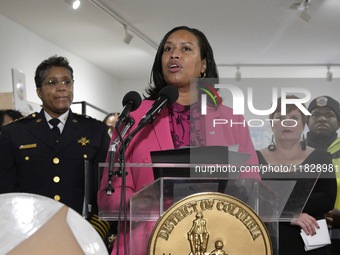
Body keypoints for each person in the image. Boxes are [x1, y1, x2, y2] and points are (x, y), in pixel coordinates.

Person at [98, 26, 259, 255]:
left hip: (213, 241)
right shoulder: (134, 117)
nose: (174, 54)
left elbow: (252, 187)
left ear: (204, 65)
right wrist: (150, 198)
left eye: (186, 49)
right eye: (168, 49)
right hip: (145, 243)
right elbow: (109, 197)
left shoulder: (230, 119)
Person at [0, 56, 111, 241]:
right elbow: (6, 193)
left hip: (81, 236)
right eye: (52, 82)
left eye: (67, 82)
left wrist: (92, 235)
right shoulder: (14, 134)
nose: (61, 88)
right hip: (29, 236)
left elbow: (105, 191)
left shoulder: (96, 132)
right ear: (38, 91)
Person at [257, 95, 337, 254]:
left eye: (294, 117)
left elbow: (327, 199)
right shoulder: (255, 158)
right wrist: (291, 215)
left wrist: (281, 208)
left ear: (303, 124)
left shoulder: (321, 157)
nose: (287, 123)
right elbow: (252, 199)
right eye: (280, 118)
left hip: (310, 240)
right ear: (272, 124)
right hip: (266, 240)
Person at [306, 96, 340, 254]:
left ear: (338, 122)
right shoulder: (294, 152)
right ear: (307, 122)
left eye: (329, 115)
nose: (322, 118)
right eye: (315, 114)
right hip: (305, 231)